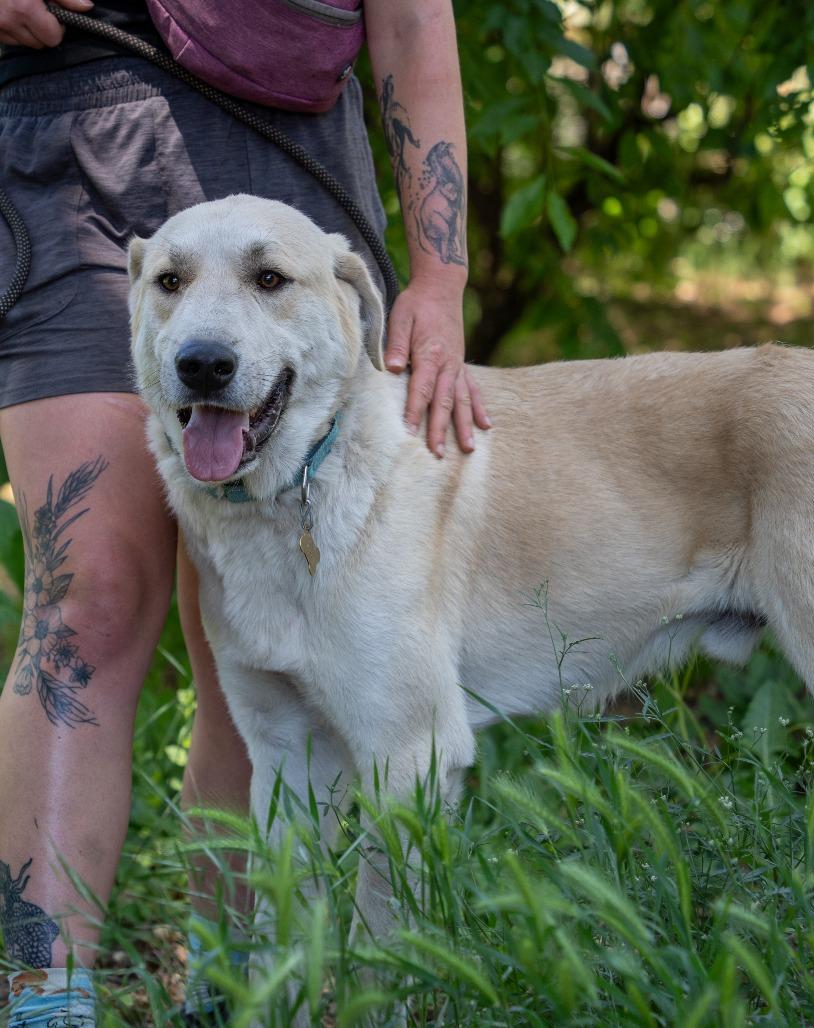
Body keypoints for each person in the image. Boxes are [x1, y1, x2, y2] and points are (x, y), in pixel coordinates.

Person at [0, 1, 489, 1023]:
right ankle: (43, 1003)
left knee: (264, 639)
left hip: (288, 147)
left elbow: (407, 16)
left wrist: (439, 275)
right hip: (65, 132)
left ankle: (233, 993)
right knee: (84, 596)